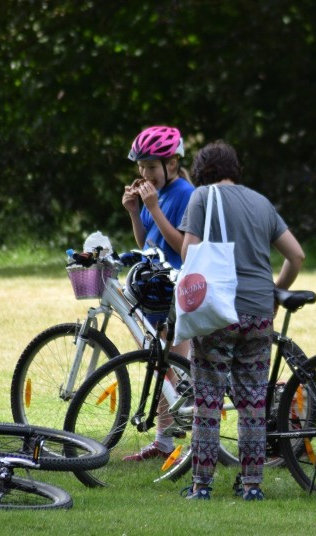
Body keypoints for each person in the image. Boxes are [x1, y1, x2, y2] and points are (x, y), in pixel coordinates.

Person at [178, 141, 305, 500]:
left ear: (203, 171)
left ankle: (201, 485)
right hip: (259, 313)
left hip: (218, 311)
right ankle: (251, 485)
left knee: (208, 400)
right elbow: (296, 255)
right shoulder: (262, 203)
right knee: (252, 403)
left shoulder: (202, 197)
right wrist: (275, 291)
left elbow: (189, 250)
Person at [120, 125, 195, 462]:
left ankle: (186, 439)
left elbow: (181, 245)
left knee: (175, 369)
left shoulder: (183, 194)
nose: (144, 173)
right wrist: (136, 212)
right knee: (159, 367)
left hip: (177, 292)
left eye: (151, 166)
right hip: (155, 288)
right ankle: (165, 441)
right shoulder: (159, 194)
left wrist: (153, 208)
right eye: (141, 167)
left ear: (173, 164)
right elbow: (147, 243)